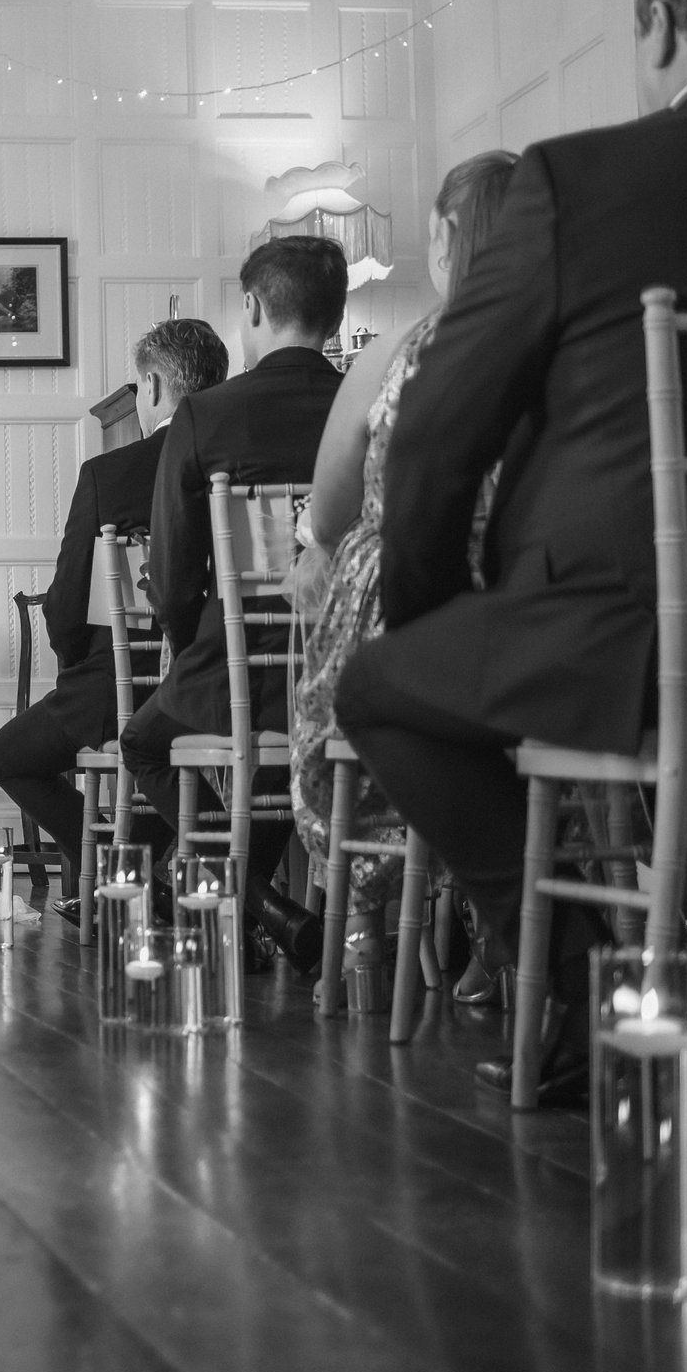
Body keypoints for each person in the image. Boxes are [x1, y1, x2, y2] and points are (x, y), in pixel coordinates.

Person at [337, 0, 687, 1106]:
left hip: (627, 629)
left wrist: (437, 615)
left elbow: (445, 426)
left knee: (380, 689)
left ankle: (581, 981)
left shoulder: (579, 180)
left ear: (658, 26)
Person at [287, 152, 516, 959]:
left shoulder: (398, 353)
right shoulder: (564, 344)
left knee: (349, 686)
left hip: (409, 604)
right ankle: (493, 924)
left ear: (446, 237)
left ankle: (364, 924)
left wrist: (319, 551)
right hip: (528, 599)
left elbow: (329, 511)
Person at [118, 236, 347, 971]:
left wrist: (194, 652)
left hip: (237, 658)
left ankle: (252, 903)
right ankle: (263, 906)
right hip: (343, 662)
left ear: (251, 306)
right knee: (275, 766)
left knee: (143, 741)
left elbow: (173, 569)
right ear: (335, 315)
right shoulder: (366, 404)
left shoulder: (206, 415)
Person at [0, 320, 227, 929]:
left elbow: (67, 603)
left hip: (118, 682)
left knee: (10, 755)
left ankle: (118, 874)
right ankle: (137, 876)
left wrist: (82, 666)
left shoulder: (111, 473)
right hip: (224, 682)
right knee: (151, 761)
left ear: (150, 385)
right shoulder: (237, 463)